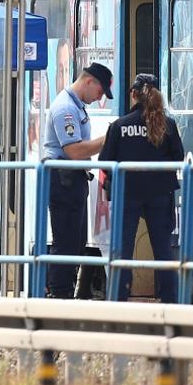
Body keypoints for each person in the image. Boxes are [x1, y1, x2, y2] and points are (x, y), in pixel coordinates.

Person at [99, 73, 185, 303]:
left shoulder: (119, 126)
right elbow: (179, 157)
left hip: (127, 193)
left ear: (133, 95)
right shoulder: (168, 125)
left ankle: (118, 299)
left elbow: (105, 161)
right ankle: (170, 301)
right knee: (163, 252)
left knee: (123, 251)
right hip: (159, 193)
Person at [41, 62, 111, 298]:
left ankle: (62, 291)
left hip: (72, 180)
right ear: (89, 81)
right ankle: (59, 294)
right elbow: (74, 151)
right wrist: (108, 138)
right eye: (100, 92)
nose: (99, 98)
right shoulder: (66, 109)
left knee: (76, 241)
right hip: (64, 180)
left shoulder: (75, 106)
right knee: (67, 242)